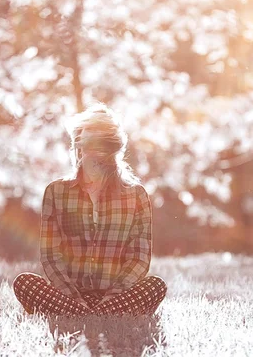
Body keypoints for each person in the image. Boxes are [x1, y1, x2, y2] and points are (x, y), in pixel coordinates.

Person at [13, 103, 167, 316]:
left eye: (101, 145)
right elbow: (51, 256)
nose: (94, 153)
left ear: (114, 149)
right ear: (78, 147)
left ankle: (86, 313)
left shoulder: (136, 195)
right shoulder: (56, 192)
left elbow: (139, 259)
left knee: (155, 286)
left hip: (116, 295)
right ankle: (94, 313)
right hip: (69, 294)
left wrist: (113, 296)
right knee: (24, 283)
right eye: (88, 143)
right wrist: (72, 296)